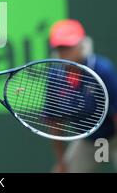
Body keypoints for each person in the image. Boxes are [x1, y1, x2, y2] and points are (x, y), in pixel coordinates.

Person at [49, 19, 117, 173]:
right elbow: (55, 123)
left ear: (83, 45)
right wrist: (61, 162)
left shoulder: (103, 70)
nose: (65, 52)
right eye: (61, 48)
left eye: (69, 47)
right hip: (87, 141)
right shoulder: (54, 77)